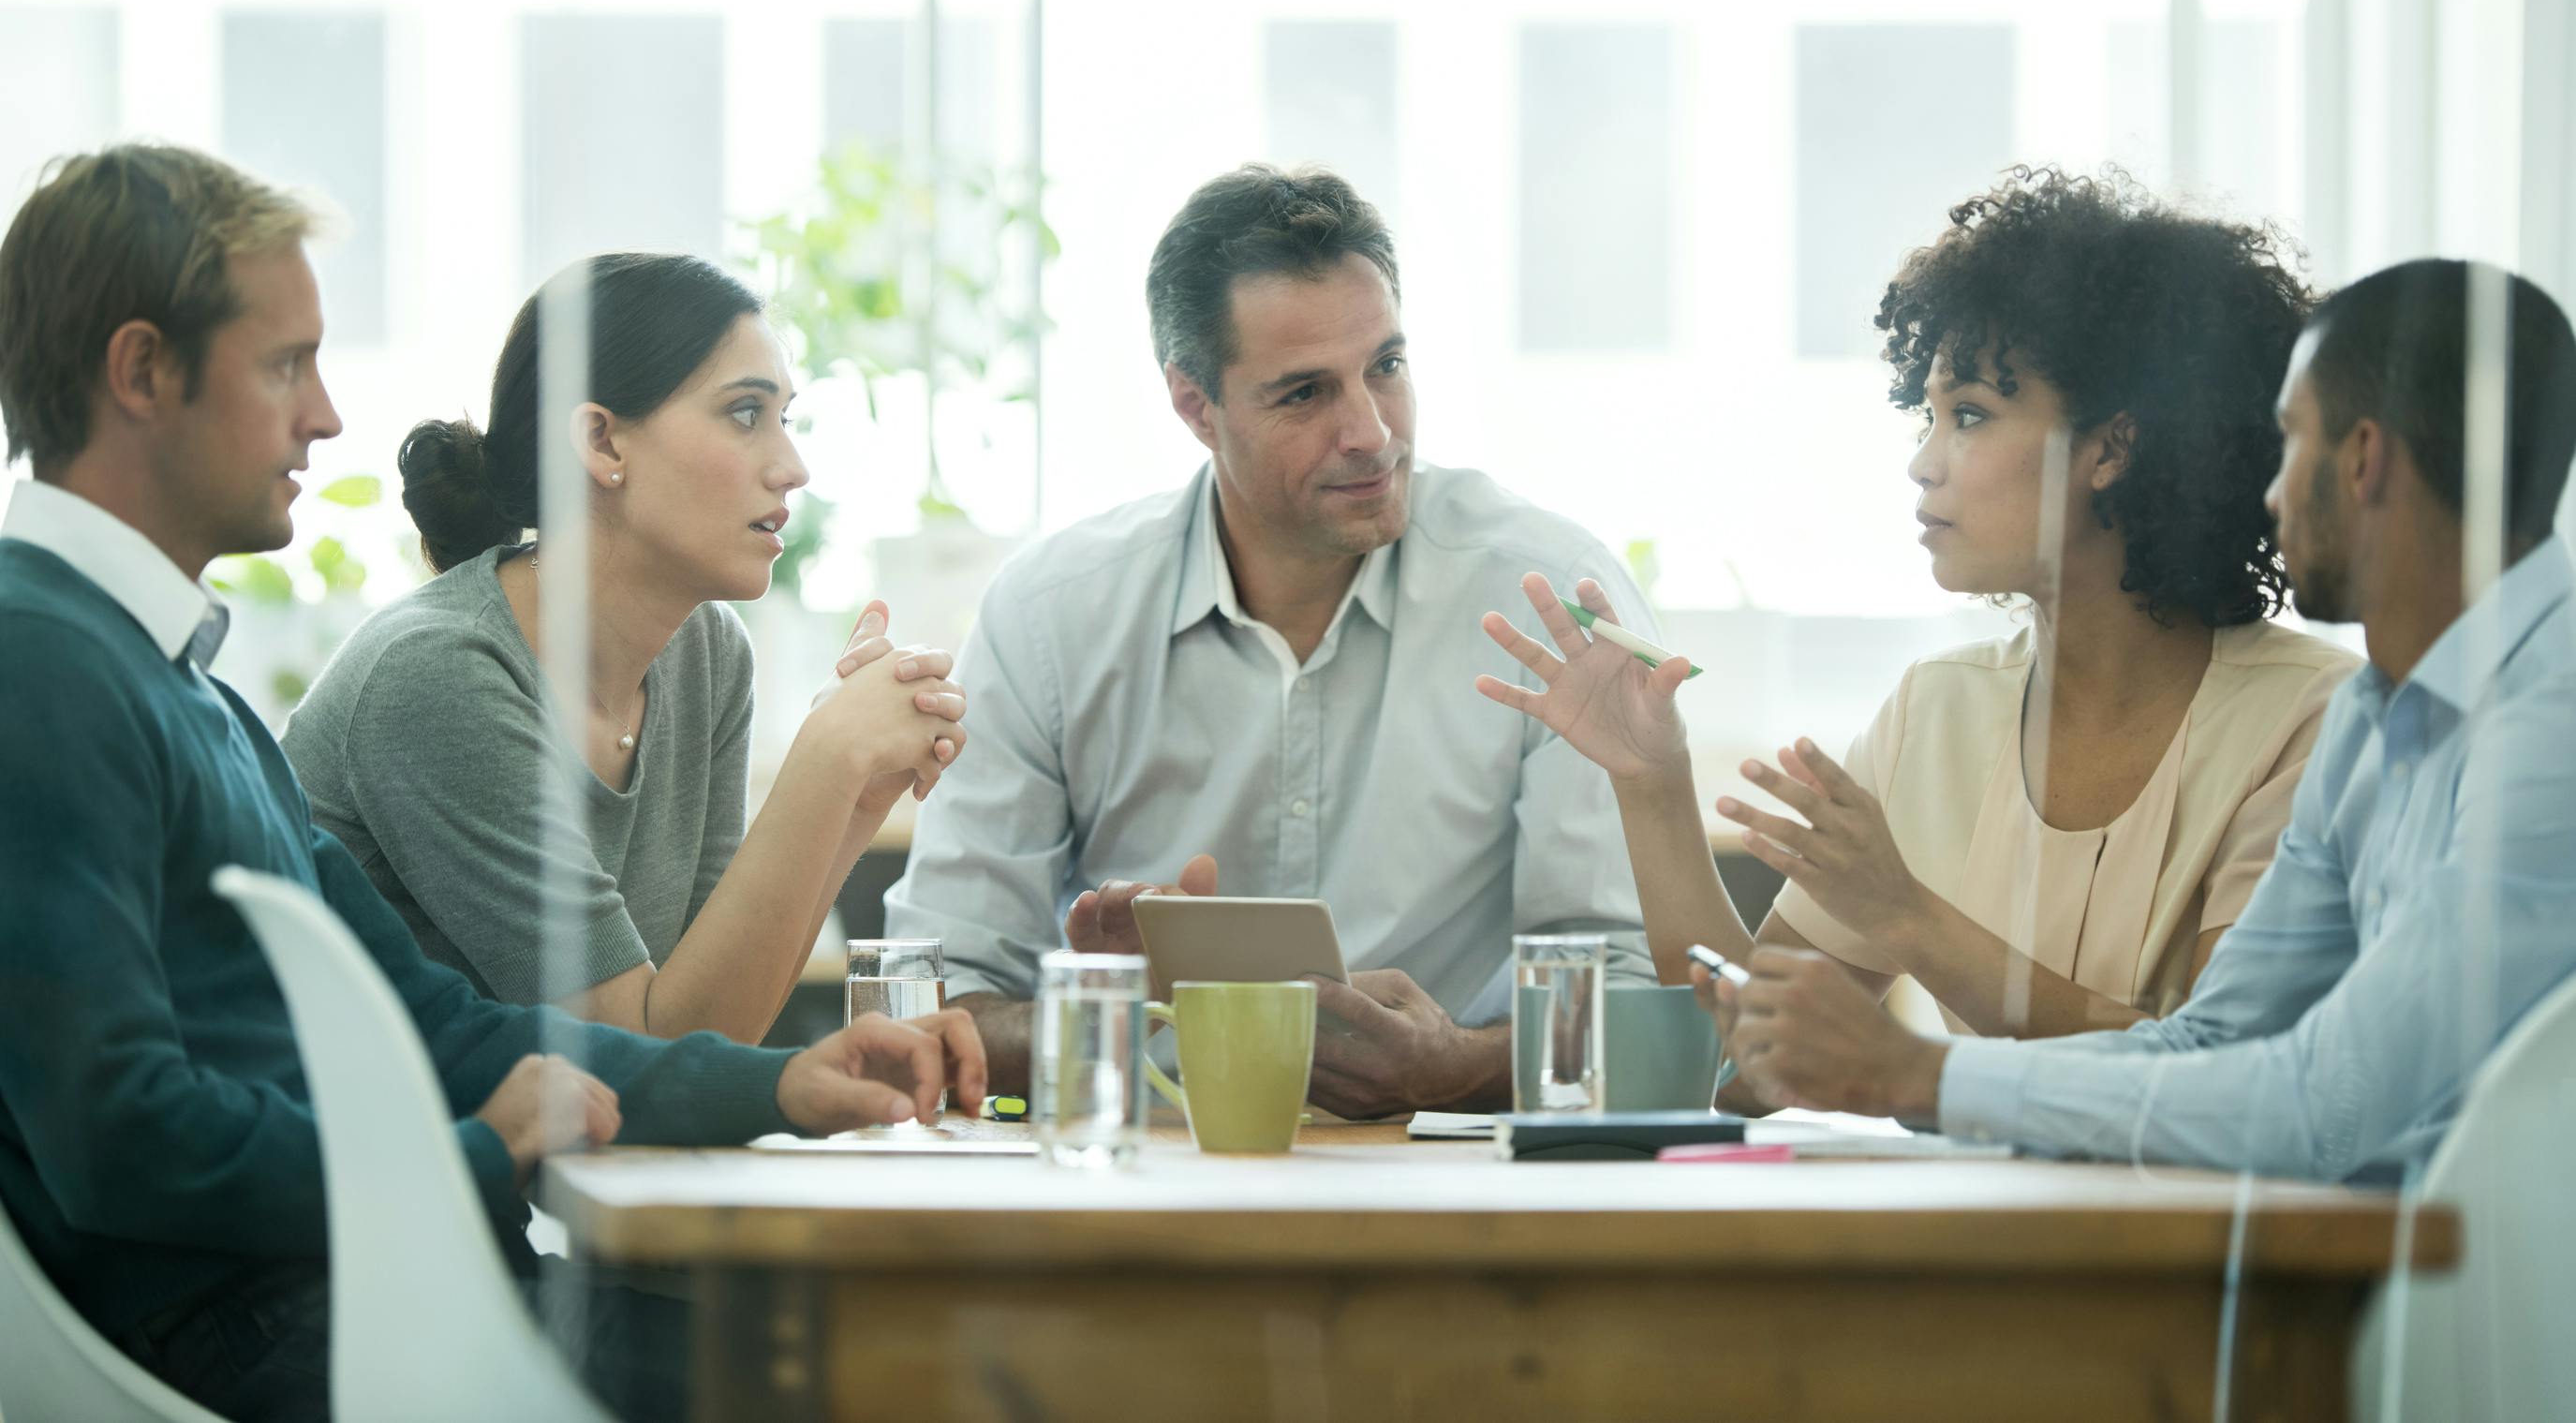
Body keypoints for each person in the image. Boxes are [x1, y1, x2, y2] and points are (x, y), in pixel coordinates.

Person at [0, 143, 986, 1423]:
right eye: (285, 363)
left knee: (887, 1346)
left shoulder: (185, 686)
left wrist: (784, 1085)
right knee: (879, 1374)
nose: (328, 416)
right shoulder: (41, 662)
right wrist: (475, 1148)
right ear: (141, 372)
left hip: (362, 1283)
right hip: (255, 1326)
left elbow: (443, 1021)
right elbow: (119, 1138)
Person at [1703, 258, 2576, 1181]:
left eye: (2289, 446)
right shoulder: (2375, 719)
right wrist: (1917, 1074)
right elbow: (2210, 1048)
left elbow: (2327, 1103)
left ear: (2361, 461)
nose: (2267, 493)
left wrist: (1924, 1075)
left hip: (2470, 1306)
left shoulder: (2545, 730)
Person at [1482, 167, 2356, 1040]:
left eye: (1969, 416)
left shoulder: (2311, 721)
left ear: (2112, 448)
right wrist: (1653, 783)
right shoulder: (1935, 710)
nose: (1924, 463)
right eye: (1928, 417)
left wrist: (1906, 917)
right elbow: (1744, 1057)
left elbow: (2226, 1073)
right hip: (1961, 1183)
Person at [882, 164, 1658, 1117]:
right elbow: (942, 997)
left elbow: (1633, 991)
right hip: (1146, 1199)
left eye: (1386, 366)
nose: (1371, 431)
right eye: (1303, 394)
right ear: (1193, 405)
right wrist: (1117, 1009)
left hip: (1448, 1198)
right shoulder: (1051, 616)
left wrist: (1452, 1062)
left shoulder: (1548, 599)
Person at [280, 253, 967, 1042]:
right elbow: (639, 1052)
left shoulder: (705, 652)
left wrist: (859, 792)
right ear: (602, 442)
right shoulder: (437, 674)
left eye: (787, 419)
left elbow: (713, 1026)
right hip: (385, 1158)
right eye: (747, 414)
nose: (792, 466)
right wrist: (825, 759)